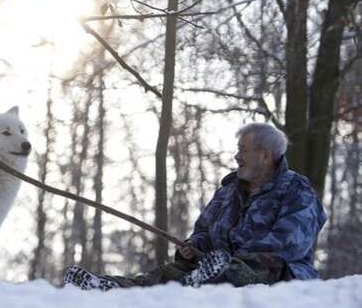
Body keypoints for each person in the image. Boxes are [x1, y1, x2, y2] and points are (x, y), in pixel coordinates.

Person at [62, 123, 327, 290]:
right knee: (168, 273)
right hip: (209, 267)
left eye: (243, 149)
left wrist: (226, 259)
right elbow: (204, 230)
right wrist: (195, 247)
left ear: (265, 155)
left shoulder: (296, 190)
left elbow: (289, 244)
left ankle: (210, 276)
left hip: (279, 275)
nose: (236, 156)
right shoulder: (227, 191)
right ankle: (110, 286)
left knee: (252, 266)